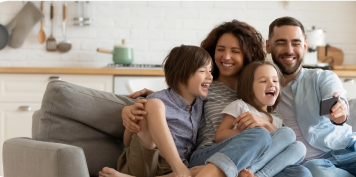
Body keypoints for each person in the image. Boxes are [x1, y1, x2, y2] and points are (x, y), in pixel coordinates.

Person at [123, 20, 312, 177]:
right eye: (221, 49)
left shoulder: (258, 92)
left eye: (235, 51)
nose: (226, 56)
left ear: (248, 55)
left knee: (301, 171)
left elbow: (280, 138)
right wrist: (129, 108)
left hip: (252, 159)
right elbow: (173, 98)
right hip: (211, 153)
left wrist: (264, 121)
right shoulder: (205, 87)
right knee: (260, 135)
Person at [264, 16, 356, 177]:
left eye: (296, 43)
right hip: (313, 166)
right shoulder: (260, 86)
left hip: (347, 153)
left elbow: (337, 98)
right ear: (268, 46)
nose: (289, 50)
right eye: (281, 43)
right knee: (317, 171)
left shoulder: (321, 77)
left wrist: (340, 111)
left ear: (305, 46)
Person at [98, 45, 213, 177]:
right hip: (144, 161)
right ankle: (179, 169)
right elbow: (127, 142)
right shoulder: (156, 100)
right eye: (203, 71)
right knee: (154, 105)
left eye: (210, 71)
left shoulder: (201, 105)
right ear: (181, 73)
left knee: (210, 169)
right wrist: (131, 120)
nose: (210, 76)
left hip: (171, 171)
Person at [216, 61, 306, 177]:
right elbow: (219, 136)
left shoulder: (277, 119)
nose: (272, 84)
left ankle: (257, 175)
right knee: (287, 133)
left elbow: (284, 144)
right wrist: (245, 133)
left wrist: (266, 123)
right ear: (249, 88)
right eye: (263, 81)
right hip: (243, 157)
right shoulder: (241, 106)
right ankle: (247, 170)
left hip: (265, 166)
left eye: (275, 80)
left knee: (299, 147)